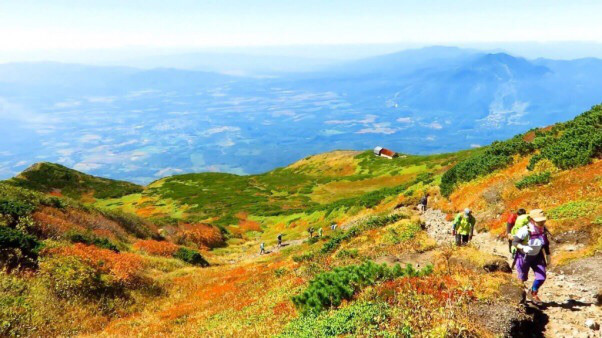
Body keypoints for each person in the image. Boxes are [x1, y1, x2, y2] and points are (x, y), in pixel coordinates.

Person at [512, 209, 551, 306]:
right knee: (522, 278)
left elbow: (546, 243)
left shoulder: (543, 229)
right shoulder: (525, 230)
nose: (542, 223)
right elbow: (515, 242)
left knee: (541, 277)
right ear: (532, 220)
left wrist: (548, 255)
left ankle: (533, 293)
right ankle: (520, 298)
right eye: (539, 221)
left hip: (538, 256)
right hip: (523, 256)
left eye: (543, 221)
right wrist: (523, 247)